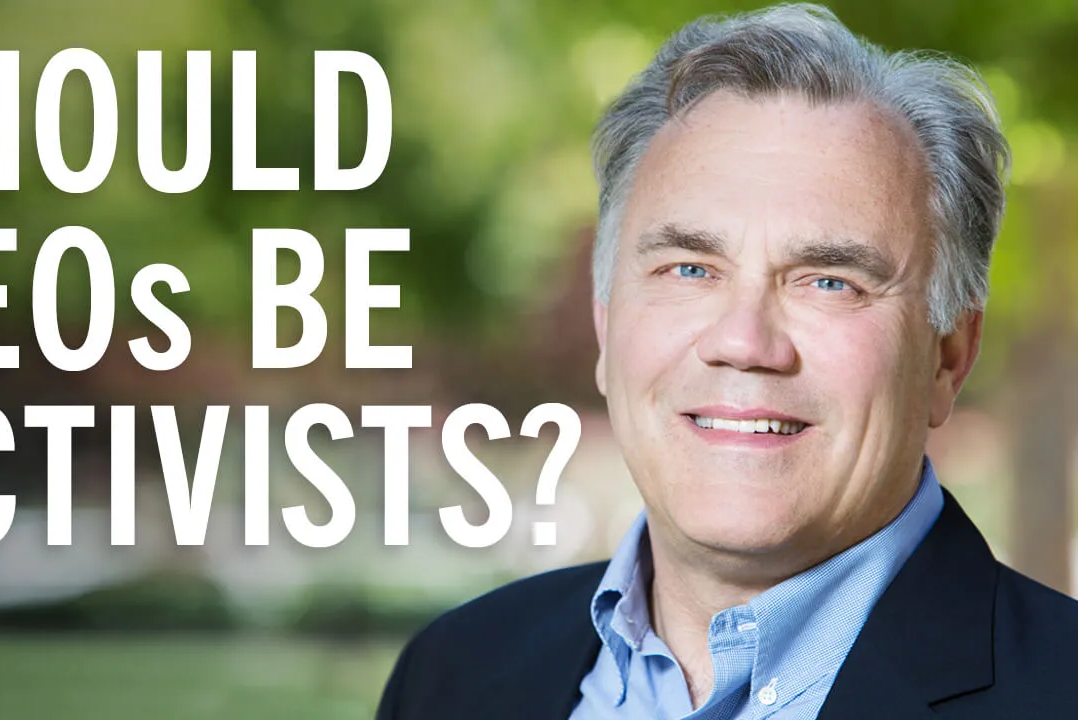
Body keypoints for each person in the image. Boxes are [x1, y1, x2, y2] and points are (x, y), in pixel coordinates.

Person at [375, 4, 1078, 719]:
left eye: (830, 281)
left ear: (947, 356)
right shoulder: (451, 675)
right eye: (689, 269)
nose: (743, 342)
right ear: (606, 324)